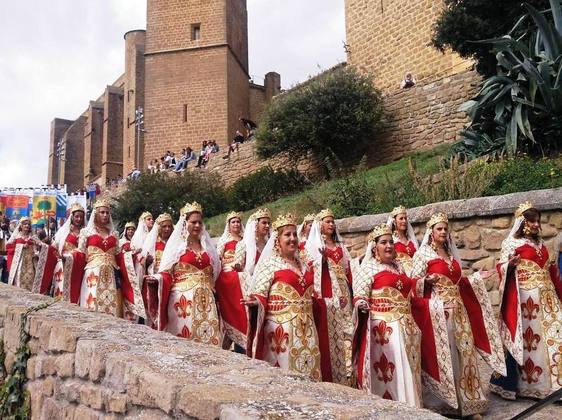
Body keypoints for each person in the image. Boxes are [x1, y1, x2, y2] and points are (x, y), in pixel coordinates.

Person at [410, 212, 505, 417]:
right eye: (439, 229)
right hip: (439, 314)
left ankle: (469, 404)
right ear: (431, 232)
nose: (443, 232)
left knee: (465, 353)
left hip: (459, 311)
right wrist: (425, 281)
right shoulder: (423, 255)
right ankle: (447, 403)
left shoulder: (451, 255)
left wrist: (477, 278)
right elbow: (412, 284)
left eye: (445, 228)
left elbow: (459, 283)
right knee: (447, 354)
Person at [490, 202, 562, 400]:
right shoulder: (511, 244)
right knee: (532, 343)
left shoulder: (541, 244)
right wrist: (509, 266)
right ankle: (531, 386)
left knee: (557, 338)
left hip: (548, 300)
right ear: (523, 223)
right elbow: (501, 268)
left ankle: (556, 386)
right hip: (527, 302)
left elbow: (550, 270)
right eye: (533, 221)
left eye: (538, 221)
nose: (537, 225)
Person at [244, 213, 322, 380]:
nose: (293, 238)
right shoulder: (269, 264)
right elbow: (260, 292)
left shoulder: (304, 265)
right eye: (287, 235)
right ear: (277, 240)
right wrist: (255, 301)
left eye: (294, 234)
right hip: (281, 333)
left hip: (307, 331)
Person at [353, 224, 423, 407]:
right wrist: (361, 305)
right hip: (384, 332)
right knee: (392, 373)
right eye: (384, 242)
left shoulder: (399, 267)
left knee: (409, 371)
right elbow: (359, 295)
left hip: (407, 328)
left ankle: (412, 408)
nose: (389, 246)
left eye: (391, 241)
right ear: (374, 248)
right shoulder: (368, 268)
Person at [145, 202, 221, 343]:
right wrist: (156, 279)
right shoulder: (176, 246)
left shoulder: (208, 248)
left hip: (207, 301)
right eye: (193, 222)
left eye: (199, 222)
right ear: (185, 223)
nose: (197, 225)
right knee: (185, 340)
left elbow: (215, 273)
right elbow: (166, 272)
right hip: (182, 302)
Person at [305, 208, 353, 385]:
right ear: (320, 225)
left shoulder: (340, 245)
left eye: (333, 221)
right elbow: (310, 268)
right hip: (327, 288)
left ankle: (348, 366)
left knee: (347, 323)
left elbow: (348, 267)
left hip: (343, 289)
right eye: (328, 221)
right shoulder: (314, 246)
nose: (331, 224)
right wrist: (322, 260)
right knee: (333, 323)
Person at [76, 199, 122, 317]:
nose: (105, 215)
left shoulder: (114, 234)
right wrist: (69, 257)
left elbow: (119, 255)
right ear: (95, 214)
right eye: (102, 212)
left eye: (107, 213)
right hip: (93, 274)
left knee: (112, 305)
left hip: (111, 274)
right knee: (92, 302)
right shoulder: (86, 232)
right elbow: (80, 253)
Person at [215, 211, 248, 352]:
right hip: (227, 279)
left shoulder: (245, 240)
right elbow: (217, 260)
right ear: (228, 225)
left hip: (241, 277)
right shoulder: (224, 241)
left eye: (238, 221)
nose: (236, 224)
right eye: (233, 221)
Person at [138, 213, 174, 326]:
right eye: (164, 226)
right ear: (159, 228)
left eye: (169, 226)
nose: (167, 229)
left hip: (172, 282)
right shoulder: (153, 243)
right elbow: (142, 262)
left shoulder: (175, 243)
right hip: (155, 282)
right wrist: (147, 261)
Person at [6, 217, 56, 294]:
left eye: (28, 224)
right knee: (19, 281)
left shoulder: (33, 237)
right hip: (19, 264)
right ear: (21, 226)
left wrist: (41, 246)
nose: (27, 226)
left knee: (31, 282)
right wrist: (21, 246)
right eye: (25, 224)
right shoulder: (16, 236)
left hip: (31, 264)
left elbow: (40, 247)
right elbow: (8, 247)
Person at [51, 203, 86, 300]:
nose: (79, 219)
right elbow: (54, 247)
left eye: (81, 217)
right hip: (63, 265)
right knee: (62, 291)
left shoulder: (85, 232)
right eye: (76, 217)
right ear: (72, 217)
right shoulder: (63, 231)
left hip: (79, 266)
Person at [386, 206, 418, 275]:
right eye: (401, 218)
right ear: (394, 221)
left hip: (416, 274)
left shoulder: (411, 239)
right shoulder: (392, 240)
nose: (404, 221)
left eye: (405, 218)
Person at [242, 208, 272, 279]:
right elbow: (241, 271)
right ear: (256, 225)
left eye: (268, 223)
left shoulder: (270, 244)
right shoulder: (243, 245)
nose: (267, 226)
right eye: (264, 223)